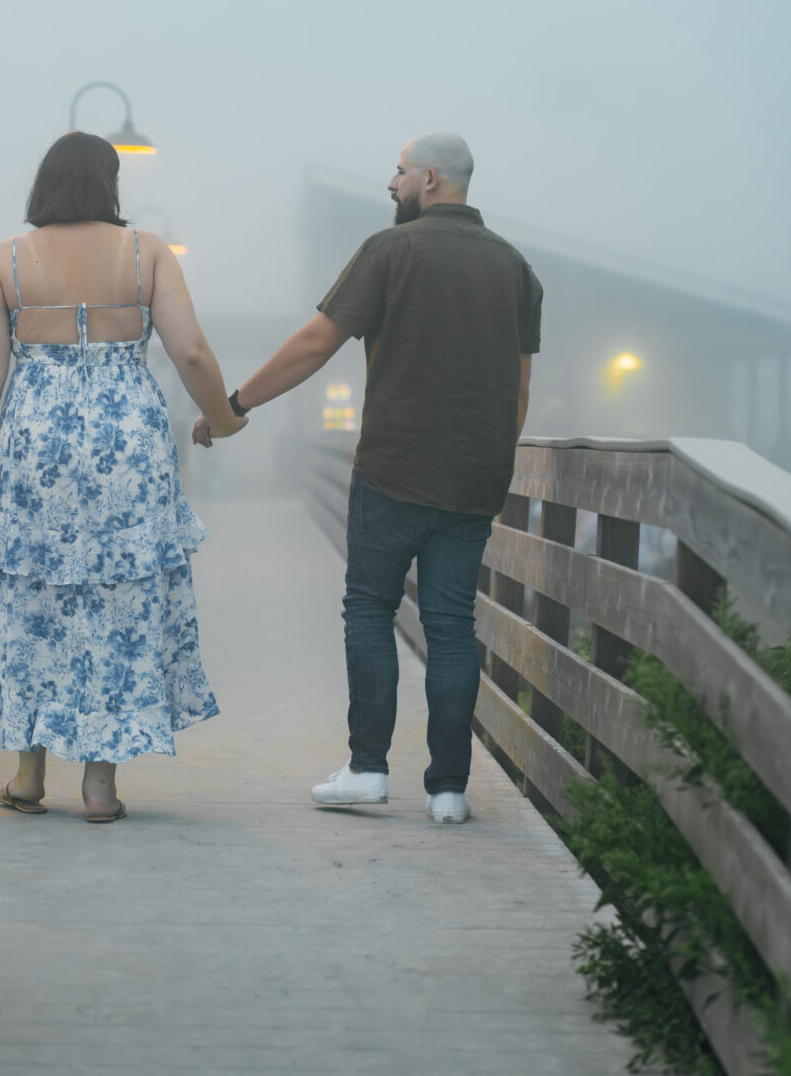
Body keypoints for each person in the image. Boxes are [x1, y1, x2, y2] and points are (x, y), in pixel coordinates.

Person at [194, 132, 542, 824]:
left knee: (369, 608)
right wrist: (490, 460)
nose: (391, 182)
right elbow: (519, 390)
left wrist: (234, 407)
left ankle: (367, 770)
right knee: (449, 628)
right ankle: (448, 790)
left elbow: (315, 343)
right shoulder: (515, 268)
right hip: (474, 478)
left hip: (393, 468)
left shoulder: (390, 252)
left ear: (431, 181)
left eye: (400, 171)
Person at [0, 132, 244, 823]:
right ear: (108, 184)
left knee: (31, 600)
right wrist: (224, 418)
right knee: (118, 608)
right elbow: (190, 352)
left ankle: (28, 777)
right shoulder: (146, 254)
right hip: (128, 449)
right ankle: (99, 786)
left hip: (35, 448)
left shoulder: (8, 261)